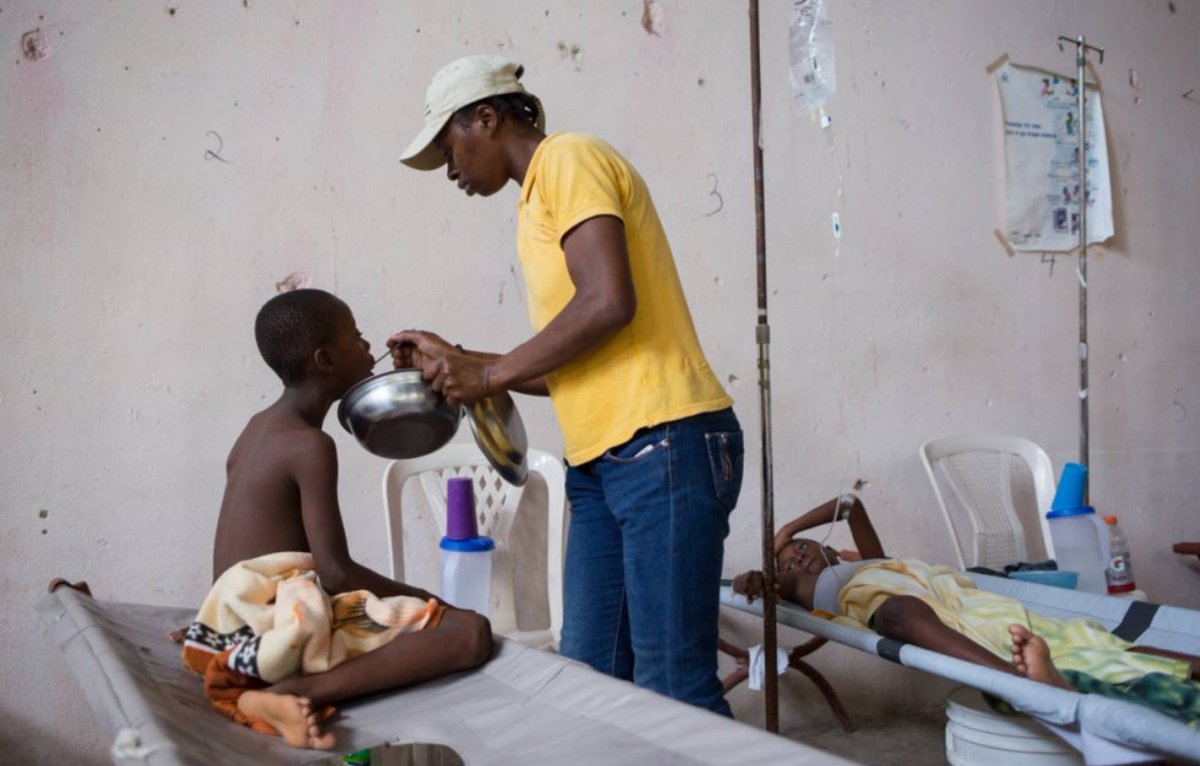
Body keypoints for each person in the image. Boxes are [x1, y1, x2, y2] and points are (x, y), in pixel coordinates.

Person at [390, 55, 743, 715]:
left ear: (486, 118)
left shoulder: (568, 160)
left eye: (449, 148)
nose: (450, 169)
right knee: (591, 680)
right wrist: (460, 361)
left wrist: (488, 373)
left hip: (664, 445)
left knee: (675, 688)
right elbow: (569, 367)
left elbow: (609, 302)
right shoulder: (534, 206)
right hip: (604, 464)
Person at [182, 289, 493, 750]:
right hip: (272, 626)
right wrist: (434, 602)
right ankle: (294, 692)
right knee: (470, 632)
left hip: (230, 620)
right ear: (325, 360)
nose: (370, 350)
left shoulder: (257, 428)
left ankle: (261, 679)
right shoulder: (310, 445)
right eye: (359, 338)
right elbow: (335, 572)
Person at [734, 495, 1200, 725]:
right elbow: (753, 584)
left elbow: (850, 503)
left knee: (1088, 640)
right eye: (788, 561)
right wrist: (772, 565)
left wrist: (787, 529)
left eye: (800, 548)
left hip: (967, 604)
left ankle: (1184, 665)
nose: (796, 558)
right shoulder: (798, 586)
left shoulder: (873, 557)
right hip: (909, 612)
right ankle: (1014, 678)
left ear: (822, 543)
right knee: (897, 612)